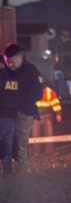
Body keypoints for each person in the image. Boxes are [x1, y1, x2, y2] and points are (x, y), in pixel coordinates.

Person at [1, 44, 45, 173]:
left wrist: (18, 102)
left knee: (20, 145)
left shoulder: (31, 72)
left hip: (24, 113)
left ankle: (21, 177)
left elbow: (37, 94)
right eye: (7, 62)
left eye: (12, 61)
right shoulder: (6, 71)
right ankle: (8, 174)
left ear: (19, 58)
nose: (9, 64)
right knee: (7, 144)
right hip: (8, 114)